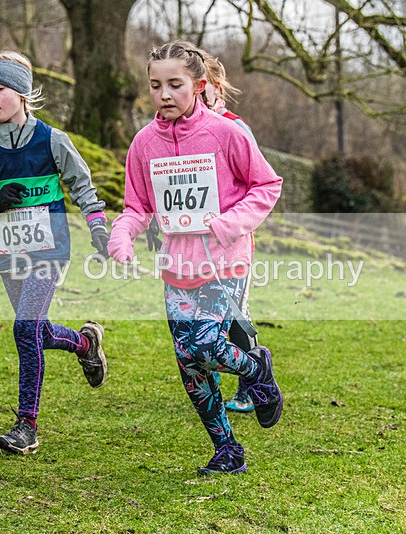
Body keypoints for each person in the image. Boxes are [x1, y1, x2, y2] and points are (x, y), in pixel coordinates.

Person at [108, 41, 283, 475]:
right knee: (189, 364)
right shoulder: (144, 143)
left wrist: (225, 224)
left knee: (204, 345)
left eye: (175, 84)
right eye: (155, 85)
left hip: (226, 261)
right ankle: (227, 450)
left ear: (199, 85)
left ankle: (256, 365)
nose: (164, 94)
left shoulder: (226, 133)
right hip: (176, 267)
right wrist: (122, 235)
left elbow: (267, 185)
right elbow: (137, 207)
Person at [0, 50, 110, 455]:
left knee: (25, 329)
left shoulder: (52, 140)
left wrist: (97, 225)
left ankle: (26, 425)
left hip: (49, 249)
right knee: (36, 331)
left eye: (0, 89)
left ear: (22, 94)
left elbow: (82, 185)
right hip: (8, 251)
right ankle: (84, 344)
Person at [201, 52, 259, 414]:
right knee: (199, 315)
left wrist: (230, 223)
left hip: (231, 243)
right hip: (190, 246)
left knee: (236, 313)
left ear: (215, 88)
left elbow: (259, 186)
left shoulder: (235, 128)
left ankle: (252, 385)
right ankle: (210, 376)